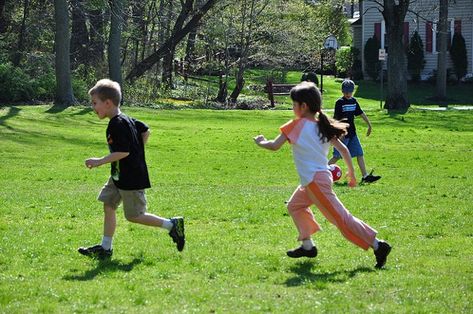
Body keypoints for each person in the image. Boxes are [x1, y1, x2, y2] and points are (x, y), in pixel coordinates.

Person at [253, 81, 391, 268]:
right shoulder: (322, 125)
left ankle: (378, 245)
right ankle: (308, 246)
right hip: (317, 180)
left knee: (342, 219)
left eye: (294, 104)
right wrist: (351, 173)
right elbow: (344, 150)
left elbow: (274, 146)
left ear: (304, 106)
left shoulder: (295, 125)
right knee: (295, 206)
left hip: (315, 182)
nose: (293, 108)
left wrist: (261, 142)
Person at [78, 79, 185, 259]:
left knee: (135, 215)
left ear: (108, 103)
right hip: (119, 175)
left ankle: (172, 225)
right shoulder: (126, 119)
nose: (92, 107)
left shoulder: (117, 124)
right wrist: (138, 150)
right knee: (108, 204)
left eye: (94, 103)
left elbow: (123, 151)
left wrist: (99, 161)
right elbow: (145, 131)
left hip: (131, 178)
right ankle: (105, 248)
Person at [328, 79, 381, 183]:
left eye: (350, 92)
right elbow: (336, 120)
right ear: (342, 91)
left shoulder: (354, 101)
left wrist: (369, 125)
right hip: (342, 134)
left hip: (352, 134)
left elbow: (360, 113)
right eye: (346, 92)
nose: (348, 94)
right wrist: (337, 134)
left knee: (359, 153)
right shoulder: (339, 103)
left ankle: (365, 176)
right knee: (337, 156)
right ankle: (320, 172)